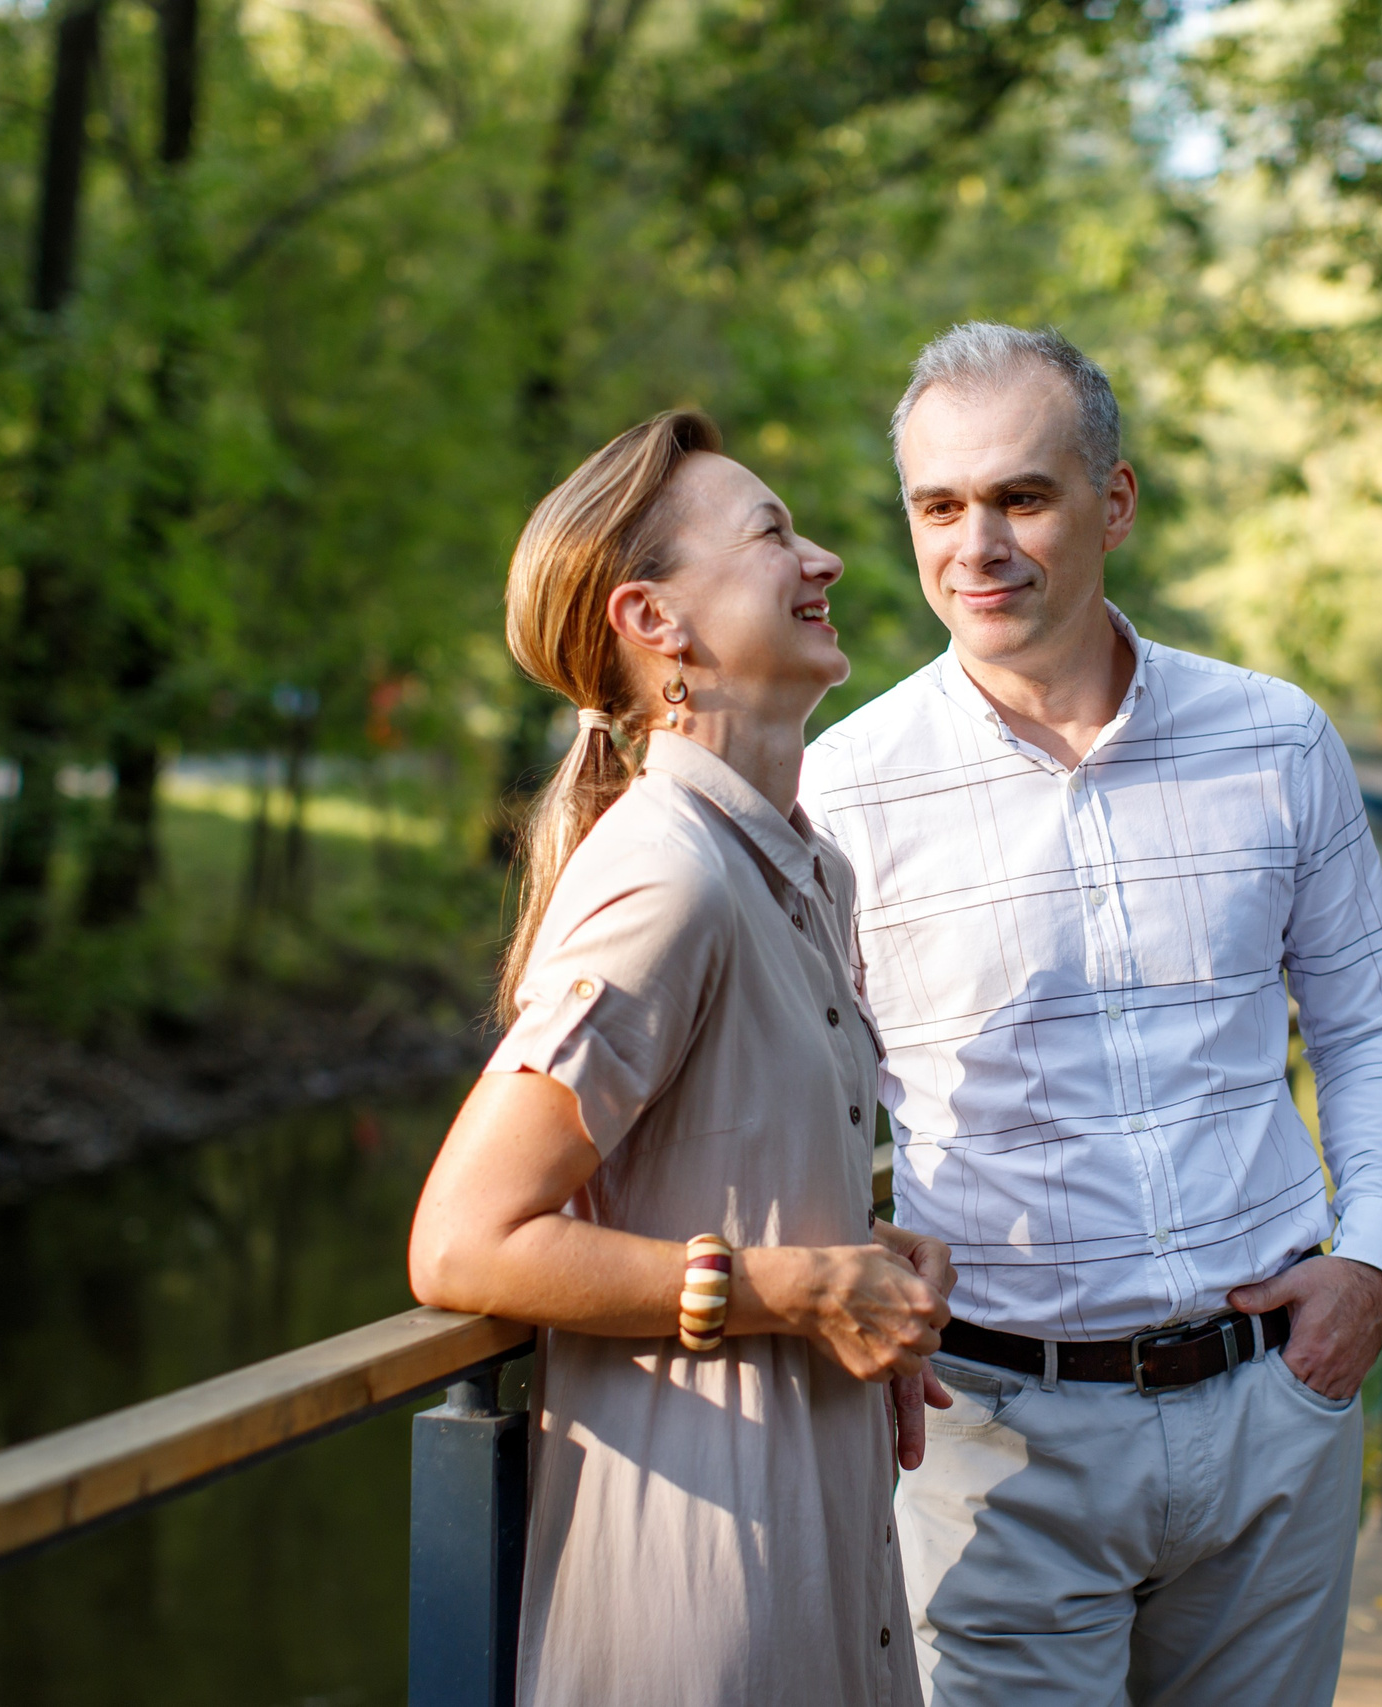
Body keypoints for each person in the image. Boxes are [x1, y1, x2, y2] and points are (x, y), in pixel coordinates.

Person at [801, 324, 1382, 1706]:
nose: (980, 545)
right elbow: (787, 1108)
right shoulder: (838, 794)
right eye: (939, 505)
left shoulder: (1275, 738)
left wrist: (1373, 1262)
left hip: (1276, 1408)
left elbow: (1372, 1022)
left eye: (1022, 496)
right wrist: (836, 1275)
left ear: (1116, 501)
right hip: (990, 1440)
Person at [407, 410, 956, 1707]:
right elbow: (462, 1241)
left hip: (827, 1546)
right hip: (702, 1589)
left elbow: (721, 1172)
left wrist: (858, 1252)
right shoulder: (666, 873)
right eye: (772, 533)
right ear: (655, 621)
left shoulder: (804, 866)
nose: (822, 556)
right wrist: (794, 1283)